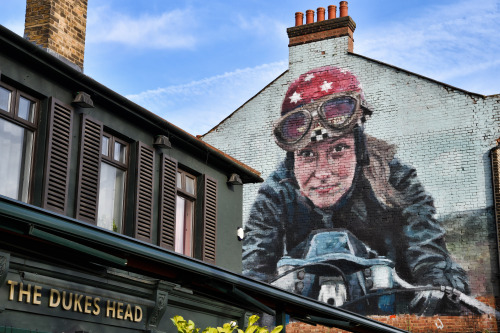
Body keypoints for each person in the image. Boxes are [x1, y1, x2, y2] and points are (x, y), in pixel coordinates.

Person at [242, 66, 469, 315]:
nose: (322, 172)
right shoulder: (276, 192)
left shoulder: (397, 180)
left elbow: (430, 252)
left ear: (360, 150)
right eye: (307, 155)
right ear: (291, 160)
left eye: (338, 150)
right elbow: (253, 267)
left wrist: (438, 289)